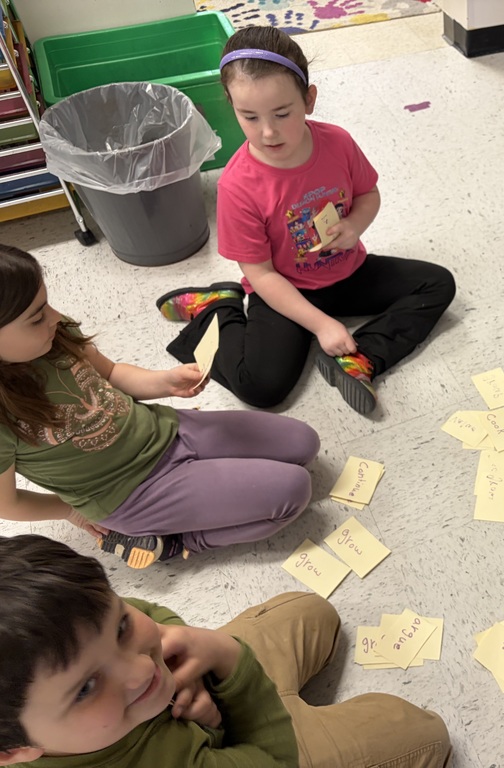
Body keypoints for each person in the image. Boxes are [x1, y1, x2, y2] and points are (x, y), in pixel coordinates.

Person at [157, 26, 456, 414]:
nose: (267, 132)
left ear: (309, 99)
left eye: (283, 114)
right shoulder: (237, 185)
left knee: (437, 283)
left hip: (348, 271)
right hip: (282, 289)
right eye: (248, 117)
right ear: (231, 105)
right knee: (262, 388)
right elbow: (262, 275)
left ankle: (361, 359)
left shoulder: (339, 143)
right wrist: (320, 325)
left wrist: (355, 227)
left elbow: (368, 194)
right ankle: (220, 306)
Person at [0, 534, 452, 767]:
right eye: (85, 688)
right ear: (14, 751)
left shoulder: (69, 628)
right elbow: (275, 762)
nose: (141, 670)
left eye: (119, 628)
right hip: (263, 751)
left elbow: (146, 612)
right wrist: (231, 660)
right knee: (421, 734)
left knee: (310, 610)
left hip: (205, 718)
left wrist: (190, 662)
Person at [0, 244, 319, 569]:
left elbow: (110, 373)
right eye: (37, 317)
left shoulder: (55, 334)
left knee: (304, 443)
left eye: (47, 305)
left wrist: (165, 381)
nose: (55, 318)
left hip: (165, 430)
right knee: (294, 492)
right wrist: (71, 512)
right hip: (132, 493)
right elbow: (8, 505)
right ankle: (179, 542)